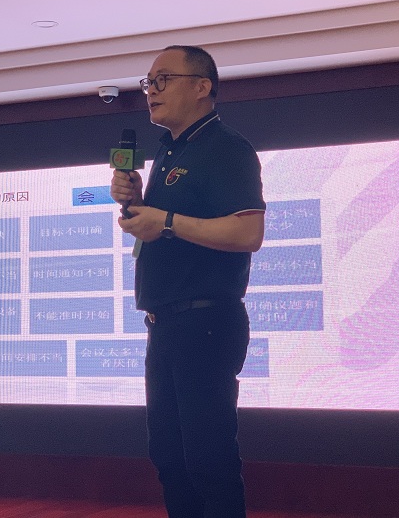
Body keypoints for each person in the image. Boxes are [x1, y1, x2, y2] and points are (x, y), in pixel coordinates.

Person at [110, 45, 266, 517]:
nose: (151, 90)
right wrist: (140, 202)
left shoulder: (226, 148)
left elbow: (247, 233)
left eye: (163, 79)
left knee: (207, 461)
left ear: (202, 87)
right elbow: (169, 228)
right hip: (165, 325)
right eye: (148, 82)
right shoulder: (170, 149)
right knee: (170, 458)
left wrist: (165, 220)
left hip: (205, 323)